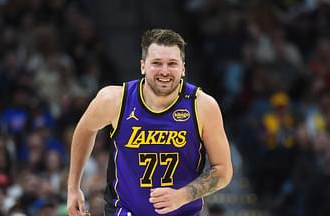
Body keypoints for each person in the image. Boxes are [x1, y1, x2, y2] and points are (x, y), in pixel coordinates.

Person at [67, 28, 233, 216]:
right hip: (125, 210)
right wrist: (73, 188)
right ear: (143, 66)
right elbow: (85, 129)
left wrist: (183, 195)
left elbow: (223, 171)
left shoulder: (203, 106)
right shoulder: (114, 100)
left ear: (183, 68)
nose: (164, 71)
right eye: (157, 63)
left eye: (172, 64)